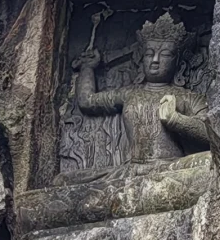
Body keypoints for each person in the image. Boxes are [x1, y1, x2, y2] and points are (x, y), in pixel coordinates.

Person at [74, 13, 208, 167]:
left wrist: (175, 119)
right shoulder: (129, 93)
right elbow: (87, 101)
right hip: (134, 170)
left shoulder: (188, 97)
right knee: (62, 181)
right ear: (141, 58)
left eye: (165, 54)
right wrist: (87, 67)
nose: (155, 60)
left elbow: (211, 134)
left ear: (179, 63)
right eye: (149, 54)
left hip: (172, 167)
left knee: (208, 160)